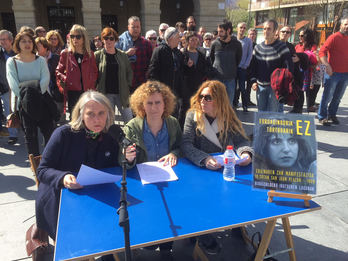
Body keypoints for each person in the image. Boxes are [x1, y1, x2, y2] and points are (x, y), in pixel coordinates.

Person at [35, 90, 136, 240]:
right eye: (91, 114)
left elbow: (115, 166)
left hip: (97, 196)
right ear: (81, 114)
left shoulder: (110, 135)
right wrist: (63, 177)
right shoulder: (63, 134)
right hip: (61, 198)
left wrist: (127, 159)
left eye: (101, 113)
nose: (97, 119)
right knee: (75, 240)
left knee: (114, 229)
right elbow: (42, 170)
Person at [181, 80, 253, 169]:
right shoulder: (192, 115)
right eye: (201, 96)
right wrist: (204, 158)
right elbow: (186, 144)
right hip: (199, 167)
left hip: (224, 165)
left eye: (208, 97)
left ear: (219, 100)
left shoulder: (228, 116)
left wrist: (245, 153)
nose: (202, 101)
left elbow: (241, 140)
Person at [6, 31, 55, 156]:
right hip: (23, 104)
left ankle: (51, 161)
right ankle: (36, 167)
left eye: (29, 41)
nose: (27, 44)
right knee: (30, 137)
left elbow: (45, 80)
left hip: (43, 102)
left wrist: (35, 94)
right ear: (17, 43)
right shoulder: (12, 62)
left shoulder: (41, 60)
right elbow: (13, 84)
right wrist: (28, 97)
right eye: (23, 41)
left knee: (49, 134)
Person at [124, 80, 182, 167]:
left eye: (158, 102)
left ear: (164, 104)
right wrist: (128, 159)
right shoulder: (131, 128)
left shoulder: (173, 123)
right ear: (142, 106)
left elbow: (182, 147)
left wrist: (174, 154)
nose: (154, 108)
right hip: (142, 177)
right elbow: (122, 160)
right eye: (149, 103)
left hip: (170, 173)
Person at [56, 24, 98, 118]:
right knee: (75, 118)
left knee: (89, 116)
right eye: (72, 36)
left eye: (78, 36)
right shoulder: (65, 53)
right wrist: (67, 79)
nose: (75, 39)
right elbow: (58, 71)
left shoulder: (90, 54)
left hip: (87, 91)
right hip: (72, 91)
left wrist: (91, 83)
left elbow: (94, 71)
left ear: (84, 38)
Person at [250, 19, 293, 112]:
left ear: (275, 31)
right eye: (264, 29)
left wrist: (283, 87)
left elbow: (288, 68)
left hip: (275, 89)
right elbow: (253, 67)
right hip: (260, 87)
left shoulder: (282, 47)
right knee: (261, 115)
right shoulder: (258, 48)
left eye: (269, 29)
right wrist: (253, 81)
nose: (266, 31)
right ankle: (263, 127)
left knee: (273, 116)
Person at [95, 27, 133, 123]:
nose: (109, 41)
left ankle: (130, 138)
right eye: (106, 38)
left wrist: (127, 86)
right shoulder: (97, 55)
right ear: (102, 40)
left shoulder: (123, 55)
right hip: (106, 94)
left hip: (122, 93)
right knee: (108, 122)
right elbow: (94, 74)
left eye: (111, 38)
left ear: (115, 40)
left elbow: (129, 72)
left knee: (129, 120)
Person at [317, 17, 348, 126]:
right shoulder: (334, 37)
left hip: (345, 74)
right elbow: (321, 52)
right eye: (346, 24)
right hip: (333, 73)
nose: (347, 27)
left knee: (338, 97)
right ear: (341, 25)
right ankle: (322, 116)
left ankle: (332, 114)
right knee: (327, 96)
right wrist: (327, 65)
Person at [116, 16, 153, 92]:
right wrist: (126, 54)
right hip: (125, 83)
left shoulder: (146, 43)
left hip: (142, 84)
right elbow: (115, 58)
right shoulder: (120, 41)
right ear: (128, 27)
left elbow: (151, 62)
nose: (136, 29)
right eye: (133, 27)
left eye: (138, 27)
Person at [210, 20, 242, 105]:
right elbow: (211, 59)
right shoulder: (214, 44)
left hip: (230, 81)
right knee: (215, 105)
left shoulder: (237, 44)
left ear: (228, 31)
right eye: (218, 31)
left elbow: (237, 60)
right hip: (217, 80)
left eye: (221, 31)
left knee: (228, 106)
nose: (219, 34)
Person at [148, 27, 185, 100]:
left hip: (176, 92)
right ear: (171, 38)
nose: (179, 40)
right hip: (162, 92)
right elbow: (152, 72)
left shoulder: (177, 52)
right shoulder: (159, 50)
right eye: (178, 37)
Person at [35, 37, 64, 122]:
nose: (36, 49)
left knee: (60, 117)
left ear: (45, 47)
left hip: (56, 92)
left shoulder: (56, 58)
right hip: (43, 93)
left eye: (38, 46)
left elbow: (59, 74)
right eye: (35, 46)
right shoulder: (34, 60)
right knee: (49, 119)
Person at [0, 29, 18, 143]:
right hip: (4, 86)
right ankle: (13, 135)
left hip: (16, 85)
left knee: (14, 109)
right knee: (8, 111)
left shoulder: (17, 52)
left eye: (4, 39)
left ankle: (18, 130)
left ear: (11, 40)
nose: (2, 42)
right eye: (0, 39)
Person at [234, 22, 253, 112]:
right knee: (234, 87)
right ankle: (234, 103)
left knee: (242, 87)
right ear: (237, 28)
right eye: (241, 27)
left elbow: (250, 55)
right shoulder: (233, 39)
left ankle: (245, 105)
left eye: (244, 28)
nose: (242, 29)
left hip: (242, 68)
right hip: (233, 68)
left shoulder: (248, 41)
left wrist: (245, 65)